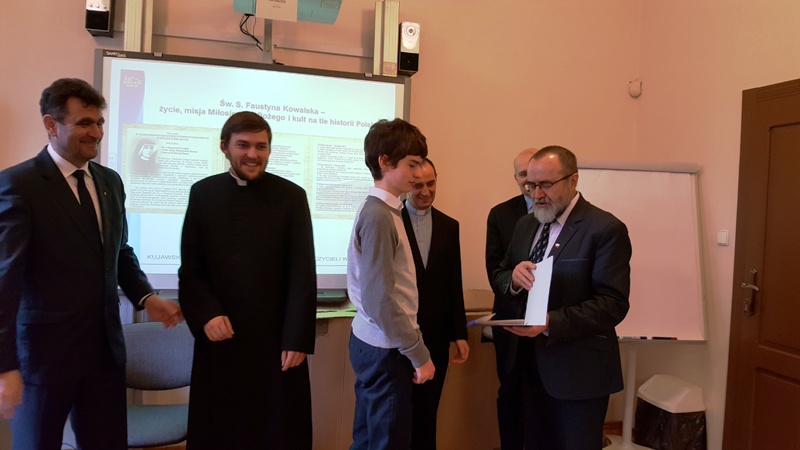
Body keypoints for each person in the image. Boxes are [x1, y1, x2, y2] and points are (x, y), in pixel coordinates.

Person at [0, 78, 183, 449]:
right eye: (84, 123)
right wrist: (5, 366)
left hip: (104, 356)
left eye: (99, 122)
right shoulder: (19, 184)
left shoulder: (109, 182)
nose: (96, 132)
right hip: (43, 361)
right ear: (51, 125)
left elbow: (119, 250)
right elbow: (6, 279)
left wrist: (147, 297)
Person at [179, 111, 317, 449]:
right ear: (224, 147)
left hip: (276, 343)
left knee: (278, 431)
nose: (253, 154)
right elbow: (191, 268)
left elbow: (302, 273)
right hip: (221, 339)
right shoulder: (203, 193)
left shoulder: (291, 196)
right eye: (243, 145)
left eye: (261, 146)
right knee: (221, 431)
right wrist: (206, 314)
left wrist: (297, 338)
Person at [491, 145, 631, 450]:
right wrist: (513, 280)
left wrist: (550, 322)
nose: (537, 194)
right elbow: (501, 272)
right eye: (531, 185)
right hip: (530, 367)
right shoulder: (526, 224)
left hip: (579, 374)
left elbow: (613, 304)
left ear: (573, 180)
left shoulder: (605, 229)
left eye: (546, 185)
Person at [347, 118, 434, 450]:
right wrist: (418, 354)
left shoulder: (385, 210)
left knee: (370, 439)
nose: (418, 172)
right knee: (387, 442)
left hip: (377, 343)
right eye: (412, 164)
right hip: (386, 349)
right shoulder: (379, 215)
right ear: (384, 161)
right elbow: (379, 298)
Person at [401, 158, 469, 450]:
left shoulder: (449, 226)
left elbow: (454, 281)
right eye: (418, 185)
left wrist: (460, 333)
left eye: (431, 183)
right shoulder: (391, 220)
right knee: (399, 415)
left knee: (428, 415)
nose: (425, 191)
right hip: (400, 338)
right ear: (407, 184)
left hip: (437, 338)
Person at [484, 147, 536, 450]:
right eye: (522, 175)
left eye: (534, 173)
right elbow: (495, 271)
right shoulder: (500, 214)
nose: (529, 181)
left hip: (552, 324)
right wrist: (514, 282)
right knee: (511, 394)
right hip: (510, 322)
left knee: (545, 398)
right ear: (515, 178)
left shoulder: (563, 212)